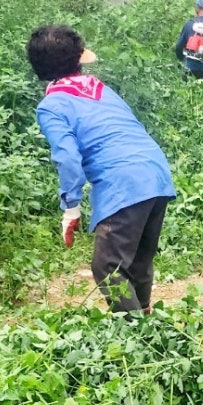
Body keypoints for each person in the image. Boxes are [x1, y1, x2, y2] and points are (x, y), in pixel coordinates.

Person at [26, 24, 176, 314]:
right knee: (137, 261)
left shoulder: (52, 105)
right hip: (155, 172)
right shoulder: (101, 89)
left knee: (107, 266)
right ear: (80, 59)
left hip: (123, 182)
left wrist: (71, 208)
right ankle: (145, 318)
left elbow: (68, 158)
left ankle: (138, 335)